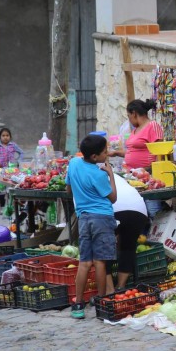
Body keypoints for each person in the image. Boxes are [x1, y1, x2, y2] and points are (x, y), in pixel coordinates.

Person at [65, 135, 117, 319]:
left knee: (85, 262)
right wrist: (110, 173)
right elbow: (113, 198)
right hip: (102, 217)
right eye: (105, 152)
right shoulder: (98, 174)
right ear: (95, 157)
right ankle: (101, 302)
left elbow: (69, 190)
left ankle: (78, 303)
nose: (107, 154)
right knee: (101, 261)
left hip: (84, 218)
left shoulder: (73, 164)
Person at [108, 99, 164, 218]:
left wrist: (155, 175)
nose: (129, 119)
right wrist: (116, 153)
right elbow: (133, 151)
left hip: (148, 174)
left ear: (134, 113)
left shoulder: (152, 126)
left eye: (128, 116)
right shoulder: (135, 130)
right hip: (133, 175)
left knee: (152, 209)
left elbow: (160, 150)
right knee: (139, 209)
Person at [105, 173, 148, 293]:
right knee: (128, 246)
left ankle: (110, 291)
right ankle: (121, 287)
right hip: (139, 209)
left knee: (103, 248)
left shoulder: (87, 175)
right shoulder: (115, 176)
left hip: (113, 210)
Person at [0, 127, 24, 210]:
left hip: (11, 171)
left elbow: (21, 153)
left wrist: (18, 162)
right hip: (2, 171)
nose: (5, 137)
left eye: (7, 135)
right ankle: (2, 207)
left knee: (10, 188)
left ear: (10, 137)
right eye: (3, 135)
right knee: (1, 189)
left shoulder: (13, 145)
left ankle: (10, 207)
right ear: (0, 137)